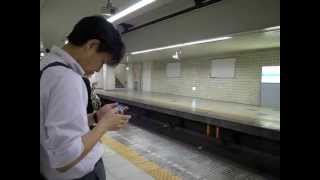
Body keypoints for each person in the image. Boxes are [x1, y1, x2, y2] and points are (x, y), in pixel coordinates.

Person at [40, 15, 130, 180]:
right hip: (80, 175)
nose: (97, 70)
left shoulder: (46, 65)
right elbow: (64, 157)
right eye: (102, 62)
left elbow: (51, 125)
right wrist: (104, 125)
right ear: (91, 45)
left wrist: (95, 117)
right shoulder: (67, 79)